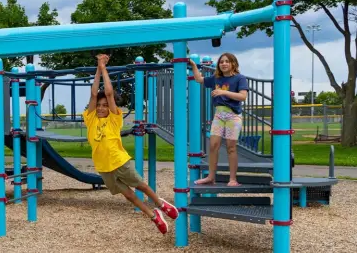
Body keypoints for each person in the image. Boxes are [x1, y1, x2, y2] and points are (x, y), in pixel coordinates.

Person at [83, 53, 178, 234]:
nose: (102, 108)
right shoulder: (90, 118)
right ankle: (153, 216)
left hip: (119, 161)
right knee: (128, 195)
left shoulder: (114, 118)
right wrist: (97, 67)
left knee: (140, 185)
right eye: (99, 105)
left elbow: (108, 93)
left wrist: (103, 68)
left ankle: (160, 203)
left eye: (105, 105)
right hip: (103, 167)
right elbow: (94, 93)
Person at [190, 52, 248, 186]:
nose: (224, 64)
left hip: (233, 116)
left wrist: (223, 92)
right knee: (213, 145)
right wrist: (193, 66)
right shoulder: (216, 78)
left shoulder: (240, 78)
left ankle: (233, 179)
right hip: (219, 115)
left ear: (233, 63)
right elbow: (199, 79)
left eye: (227, 61)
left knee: (231, 147)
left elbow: (243, 96)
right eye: (221, 62)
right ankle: (211, 177)